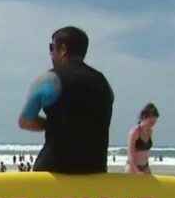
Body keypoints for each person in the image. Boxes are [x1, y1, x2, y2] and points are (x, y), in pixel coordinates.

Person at [18, 26, 114, 174]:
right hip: (95, 171)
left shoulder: (49, 80)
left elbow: (25, 121)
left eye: (52, 47)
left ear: (63, 49)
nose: (51, 53)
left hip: (55, 170)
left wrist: (51, 124)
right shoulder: (104, 83)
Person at [126, 103, 159, 174]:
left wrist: (146, 167)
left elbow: (146, 152)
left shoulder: (150, 131)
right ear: (144, 117)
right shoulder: (135, 132)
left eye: (154, 122)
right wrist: (137, 171)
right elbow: (130, 155)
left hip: (145, 167)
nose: (152, 124)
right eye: (151, 122)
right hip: (133, 168)